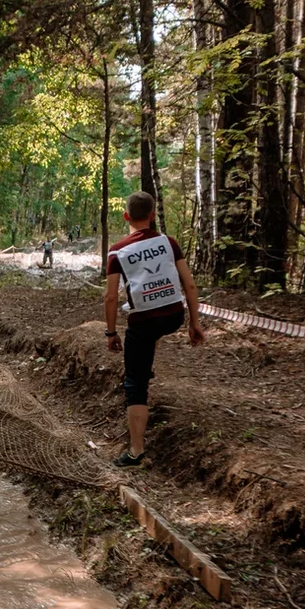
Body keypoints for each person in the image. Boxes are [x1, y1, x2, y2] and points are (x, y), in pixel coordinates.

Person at [103, 191, 205, 467]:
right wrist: (194, 323)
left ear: (126, 217)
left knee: (135, 384)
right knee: (151, 333)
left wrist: (111, 333)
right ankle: (145, 362)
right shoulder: (169, 243)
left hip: (143, 321)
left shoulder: (118, 251)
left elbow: (111, 297)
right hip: (174, 315)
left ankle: (136, 452)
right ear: (152, 215)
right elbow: (190, 285)